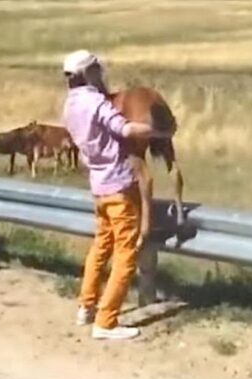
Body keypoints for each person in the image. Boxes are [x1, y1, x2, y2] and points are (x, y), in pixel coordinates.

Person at [61, 49, 171, 340]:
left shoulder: (69, 106)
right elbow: (124, 128)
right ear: (88, 74)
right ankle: (106, 321)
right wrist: (158, 133)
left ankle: (86, 306)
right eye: (97, 69)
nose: (102, 74)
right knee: (125, 254)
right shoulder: (97, 102)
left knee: (101, 247)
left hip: (98, 187)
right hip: (118, 186)